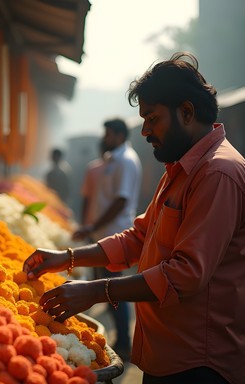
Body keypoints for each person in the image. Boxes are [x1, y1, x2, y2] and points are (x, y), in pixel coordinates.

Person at [23, 52, 245, 384]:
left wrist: (96, 291)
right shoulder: (180, 169)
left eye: (152, 118)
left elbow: (187, 273)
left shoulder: (218, 173)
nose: (144, 130)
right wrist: (66, 258)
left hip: (199, 363)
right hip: (166, 355)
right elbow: (139, 237)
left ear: (186, 112)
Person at [74, 118, 142, 361]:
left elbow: (121, 201)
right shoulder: (111, 160)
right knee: (107, 289)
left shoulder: (126, 160)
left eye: (109, 134)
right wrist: (90, 228)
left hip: (115, 235)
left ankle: (124, 342)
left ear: (120, 136)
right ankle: (122, 339)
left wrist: (93, 226)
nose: (105, 138)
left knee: (113, 289)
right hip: (103, 235)